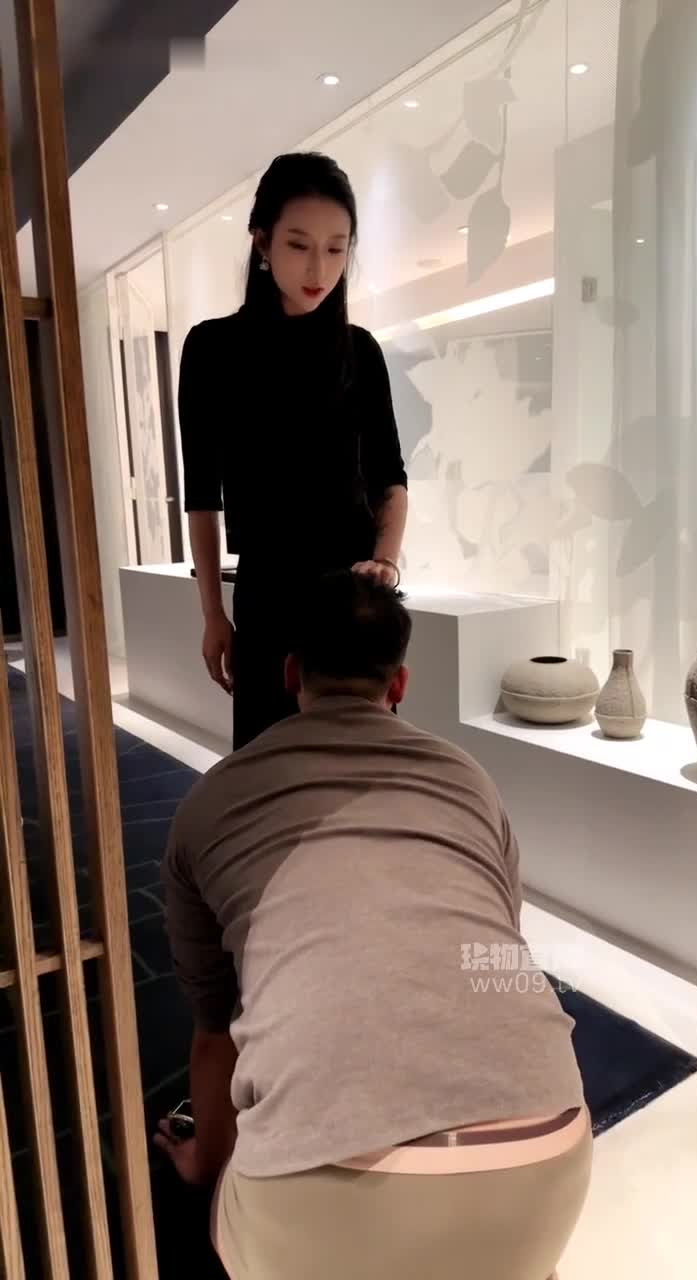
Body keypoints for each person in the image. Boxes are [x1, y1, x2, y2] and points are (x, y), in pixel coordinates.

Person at [156, 571, 591, 1280]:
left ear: (290, 673)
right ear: (400, 683)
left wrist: (207, 1163)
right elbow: (496, 945)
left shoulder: (207, 804)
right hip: (549, 1154)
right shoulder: (470, 778)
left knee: (224, 1217)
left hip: (322, 1197)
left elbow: (213, 1034)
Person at [178, 151, 408, 750]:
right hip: (267, 598)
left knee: (354, 767)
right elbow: (201, 497)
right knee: (269, 761)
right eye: (299, 245)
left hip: (353, 603)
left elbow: (390, 478)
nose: (319, 268)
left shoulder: (360, 352)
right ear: (262, 242)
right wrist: (212, 613)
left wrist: (386, 563)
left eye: (336, 248)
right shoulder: (211, 350)